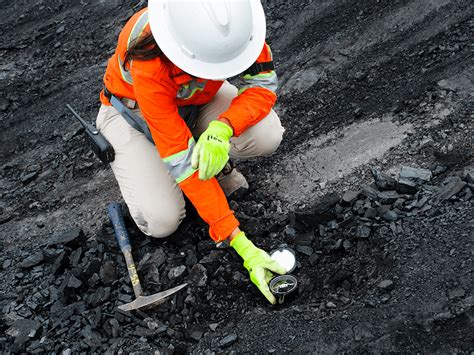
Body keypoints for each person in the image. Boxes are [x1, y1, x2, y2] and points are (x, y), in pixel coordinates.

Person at [97, 0, 286, 304]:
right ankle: (172, 170)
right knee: (162, 221)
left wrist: (224, 127)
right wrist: (240, 242)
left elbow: (263, 86)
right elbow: (180, 159)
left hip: (195, 102)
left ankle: (211, 158)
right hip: (132, 115)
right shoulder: (148, 54)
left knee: (266, 134)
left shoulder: (237, 25)